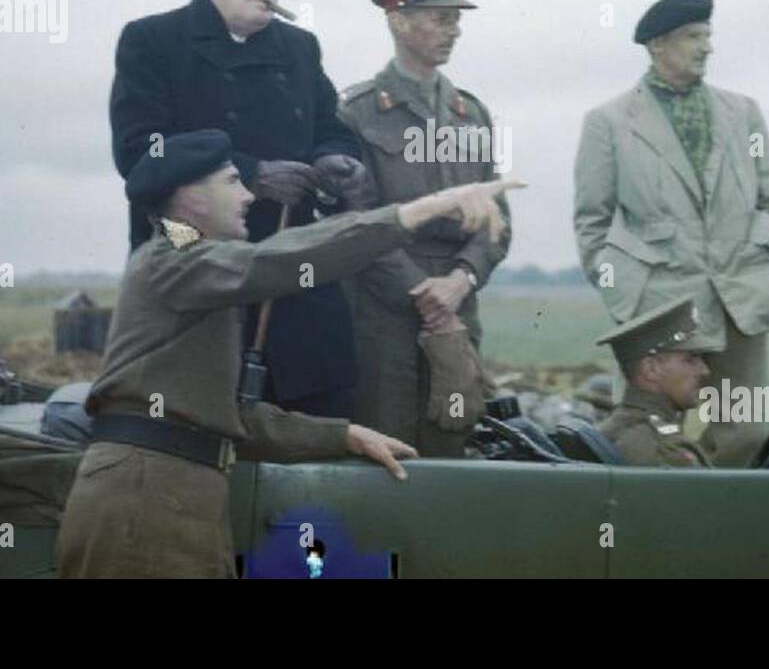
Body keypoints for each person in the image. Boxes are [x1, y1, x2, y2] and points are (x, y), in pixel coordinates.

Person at [56, 129, 523, 577]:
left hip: (173, 497)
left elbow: (228, 418)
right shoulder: (172, 261)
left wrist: (342, 436)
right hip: (147, 504)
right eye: (233, 181)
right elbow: (276, 260)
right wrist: (419, 211)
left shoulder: (194, 270)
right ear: (191, 198)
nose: (249, 196)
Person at [109, 0, 368, 419]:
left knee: (317, 397)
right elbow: (140, 150)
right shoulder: (152, 40)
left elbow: (329, 126)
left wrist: (336, 158)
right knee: (195, 408)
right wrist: (251, 174)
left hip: (289, 250)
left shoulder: (299, 47)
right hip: (189, 254)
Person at [574, 0, 769, 466]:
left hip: (742, 306)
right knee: (650, 440)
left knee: (747, 434)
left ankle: (733, 535)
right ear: (658, 45)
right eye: (694, 37)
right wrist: (626, 296)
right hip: (659, 312)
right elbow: (592, 224)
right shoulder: (609, 123)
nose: (706, 47)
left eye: (708, 36)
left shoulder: (744, 113)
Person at [338, 0, 510, 456]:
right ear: (398, 20)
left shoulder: (471, 114)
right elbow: (351, 219)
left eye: (457, 19)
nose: (453, 30)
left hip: (457, 305)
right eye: (440, 18)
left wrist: (461, 280)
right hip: (383, 309)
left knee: (451, 444)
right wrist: (420, 292)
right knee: (385, 447)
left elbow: (498, 215)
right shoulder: (357, 112)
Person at [596, 298, 714, 468]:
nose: (705, 371)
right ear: (651, 369)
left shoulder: (615, 428)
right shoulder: (664, 450)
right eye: (690, 360)